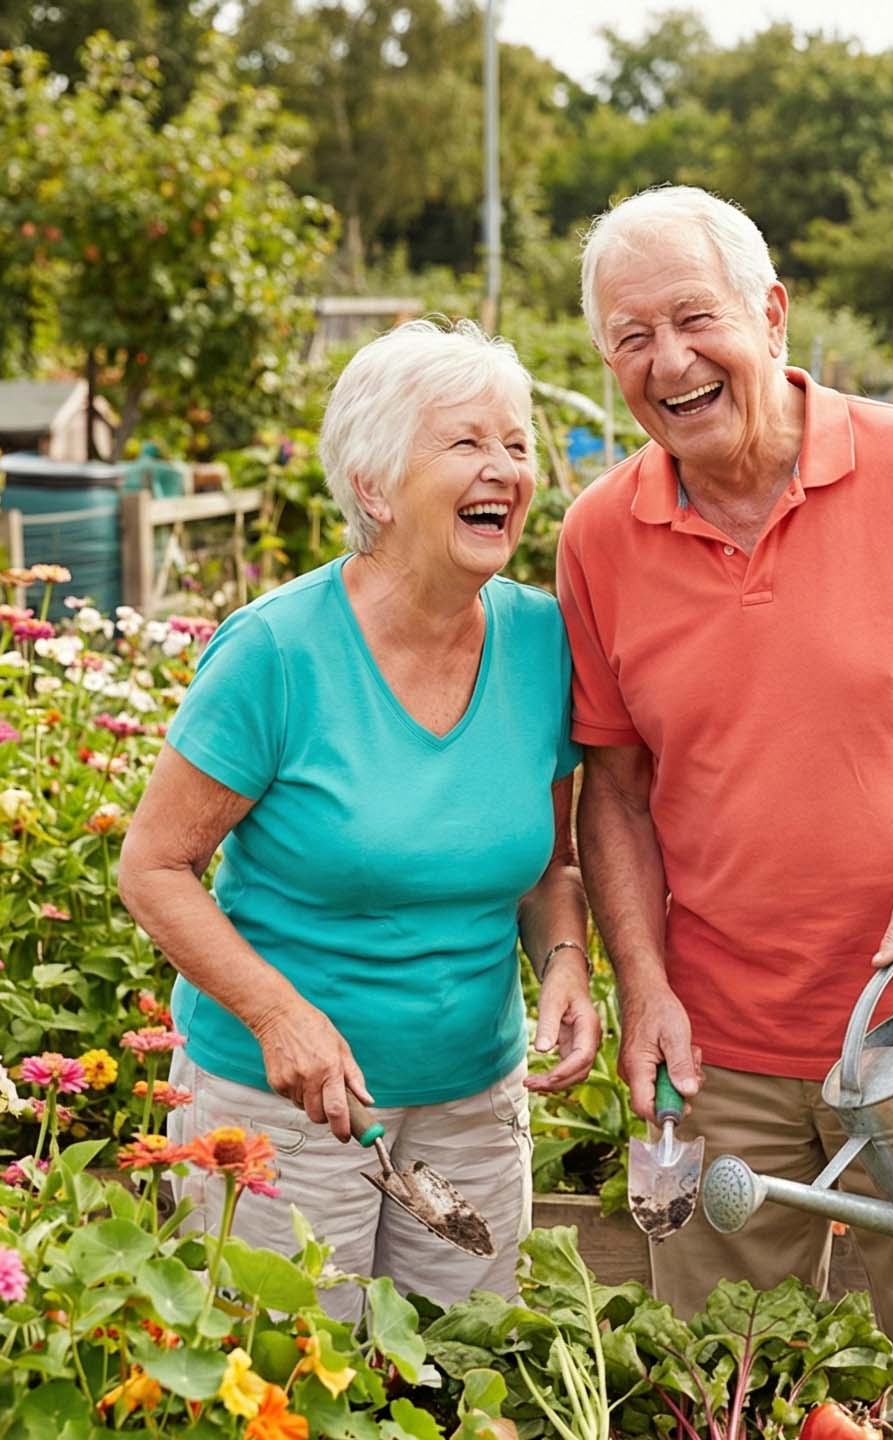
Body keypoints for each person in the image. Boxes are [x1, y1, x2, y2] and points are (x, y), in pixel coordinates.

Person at [555, 186, 893, 1393]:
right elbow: (615, 788)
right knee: (717, 1402)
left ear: (772, 314)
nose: (668, 362)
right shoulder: (598, 534)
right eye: (630, 339)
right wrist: (638, 982)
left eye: (694, 320)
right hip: (717, 1052)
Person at [117, 319, 601, 1313]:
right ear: (373, 487)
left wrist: (563, 962)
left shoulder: (539, 642)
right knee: (292, 1398)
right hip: (288, 1106)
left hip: (472, 1096)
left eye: (516, 445)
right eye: (465, 443)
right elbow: (153, 868)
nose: (504, 469)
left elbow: (546, 864)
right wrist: (277, 1015)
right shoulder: (276, 653)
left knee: (454, 1386)